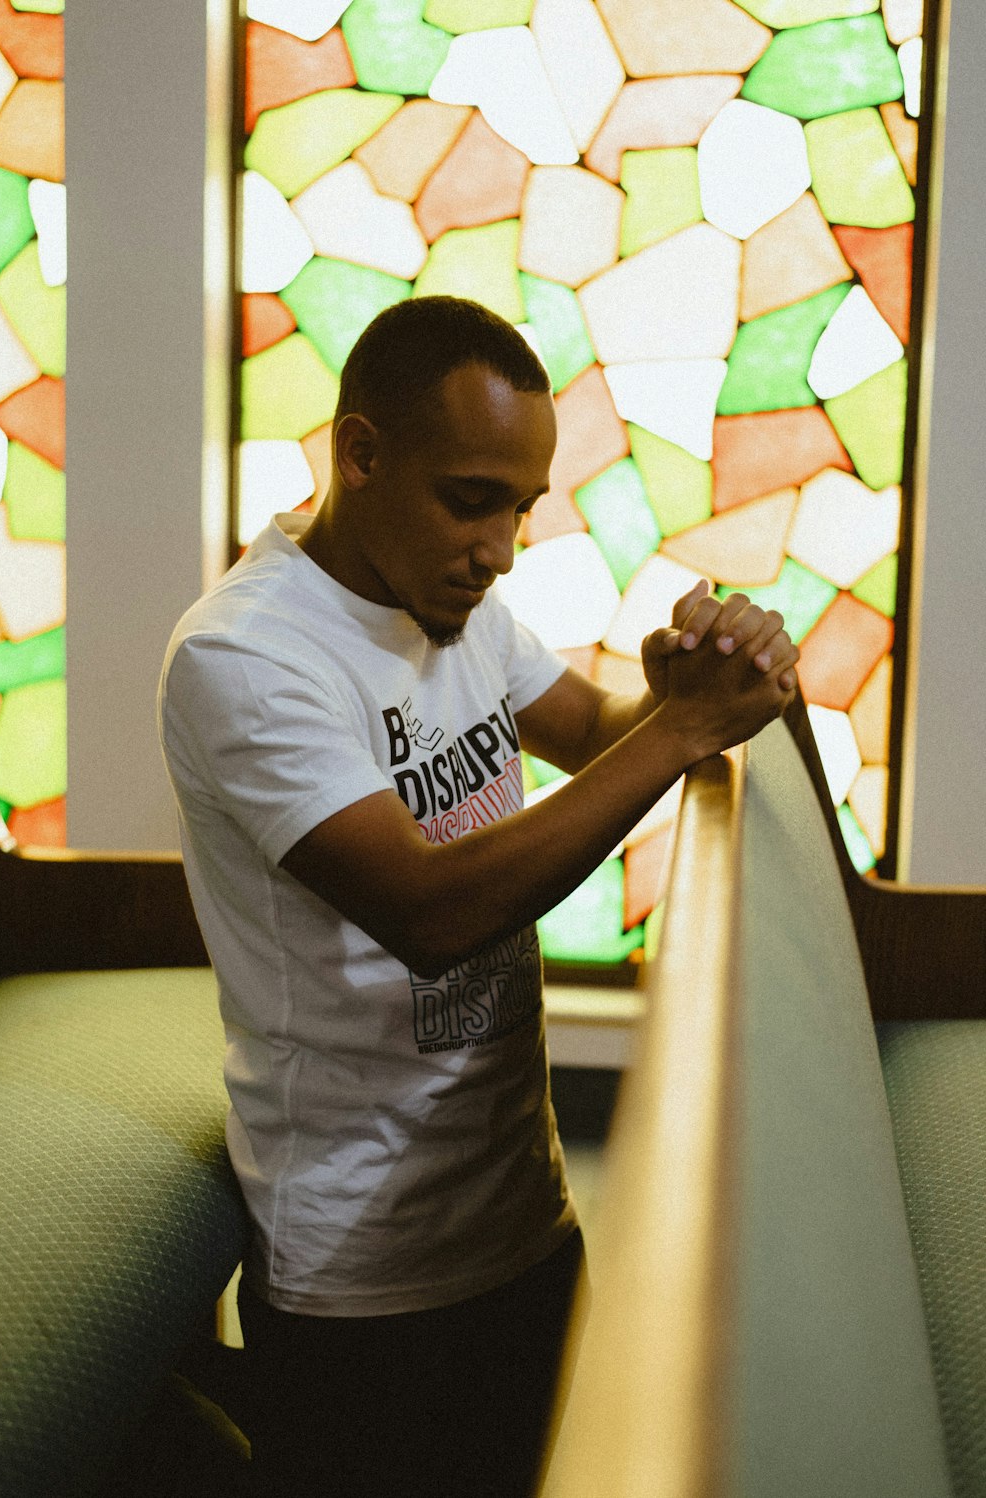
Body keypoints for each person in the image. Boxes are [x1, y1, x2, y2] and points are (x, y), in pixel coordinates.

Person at [157, 296, 799, 1497]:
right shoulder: (246, 655)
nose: (499, 546)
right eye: (469, 500)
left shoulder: (453, 605)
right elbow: (431, 909)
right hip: (363, 1263)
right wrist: (678, 737)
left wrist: (678, 688)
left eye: (520, 508)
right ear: (359, 453)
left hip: (522, 1205)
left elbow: (598, 730)